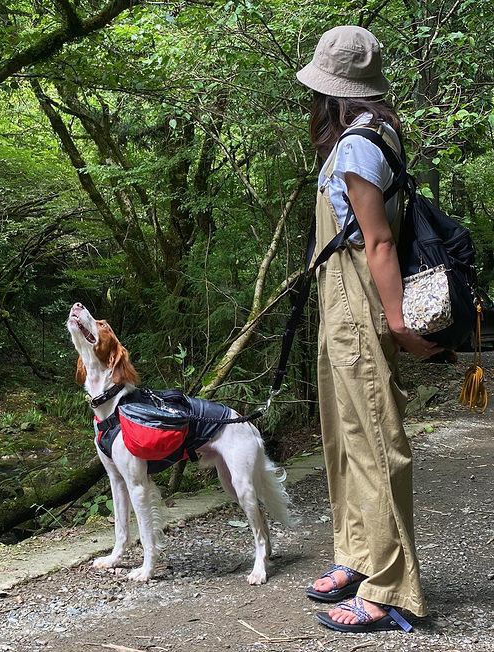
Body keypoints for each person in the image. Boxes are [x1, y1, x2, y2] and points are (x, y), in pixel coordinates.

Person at [295, 26, 440, 633]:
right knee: (345, 434)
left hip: (358, 297)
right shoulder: (375, 133)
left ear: (333, 91)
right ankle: (357, 554)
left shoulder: (357, 146)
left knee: (376, 440)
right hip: (339, 296)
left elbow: (378, 242)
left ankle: (389, 587)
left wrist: (398, 323)